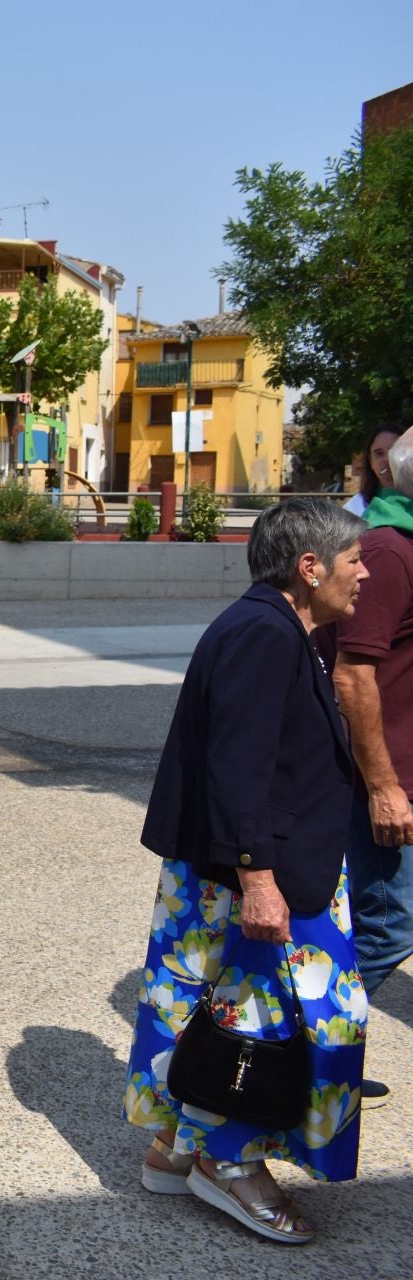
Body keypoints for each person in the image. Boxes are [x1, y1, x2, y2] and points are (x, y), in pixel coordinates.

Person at [128, 498, 370, 1246]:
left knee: (209, 1007)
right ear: (310, 567)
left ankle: (175, 1148)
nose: (363, 573)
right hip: (255, 873)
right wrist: (258, 880)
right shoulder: (265, 634)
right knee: (271, 1021)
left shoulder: (274, 627)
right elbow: (238, 767)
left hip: (245, 866)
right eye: (354, 559)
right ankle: (229, 1163)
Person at [329, 427, 413, 1107]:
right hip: (388, 777)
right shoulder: (389, 550)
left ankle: (325, 1056)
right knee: (386, 923)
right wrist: (384, 787)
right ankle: (295, 1052)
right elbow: (352, 675)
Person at [343, 424, 401, 516]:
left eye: (393, 451)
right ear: (371, 462)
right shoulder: (355, 507)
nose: (387, 459)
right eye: (379, 454)